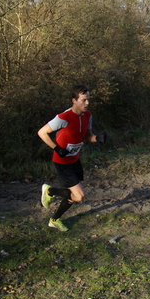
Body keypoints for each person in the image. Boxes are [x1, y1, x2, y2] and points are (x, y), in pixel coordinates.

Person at [37, 84, 106, 232]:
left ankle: (54, 220)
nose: (87, 103)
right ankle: (49, 192)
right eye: (83, 100)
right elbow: (42, 132)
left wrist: (97, 139)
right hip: (62, 162)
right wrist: (56, 148)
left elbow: (87, 136)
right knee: (79, 196)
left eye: (88, 100)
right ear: (74, 100)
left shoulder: (88, 115)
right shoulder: (63, 117)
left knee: (73, 196)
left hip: (75, 159)